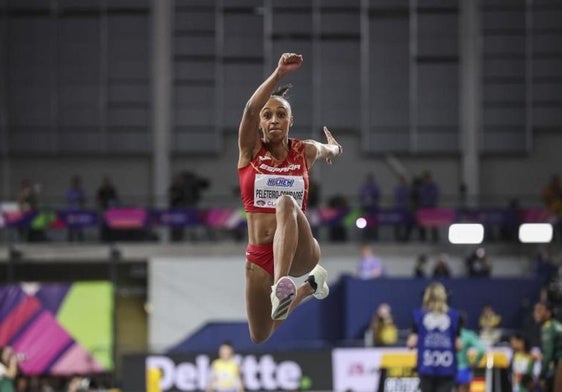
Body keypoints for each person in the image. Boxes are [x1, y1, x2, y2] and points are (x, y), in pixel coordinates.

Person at [237, 52, 341, 342]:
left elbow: (328, 149)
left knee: (285, 202)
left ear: (290, 121)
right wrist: (279, 74)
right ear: (259, 123)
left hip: (300, 252)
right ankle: (307, 288)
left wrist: (335, 149)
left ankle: (281, 284)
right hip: (259, 256)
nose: (273, 120)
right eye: (267, 115)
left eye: (281, 115)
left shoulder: (303, 151)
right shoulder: (250, 152)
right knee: (261, 335)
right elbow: (248, 109)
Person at [407, 282, 461, 392]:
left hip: (426, 366)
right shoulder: (454, 316)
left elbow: (411, 343)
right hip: (447, 367)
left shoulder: (419, 315)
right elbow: (458, 345)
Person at [533, 301, 562, 392]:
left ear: (549, 313)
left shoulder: (548, 328)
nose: (536, 313)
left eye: (540, 310)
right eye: (536, 310)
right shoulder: (556, 324)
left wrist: (542, 376)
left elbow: (548, 356)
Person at [455, 313, 485, 392]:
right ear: (464, 323)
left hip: (449, 370)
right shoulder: (468, 335)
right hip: (463, 370)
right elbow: (481, 350)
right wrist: (475, 362)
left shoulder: (448, 335)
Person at [358, 172, 380, 241]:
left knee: (374, 222)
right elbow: (361, 196)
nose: (369, 180)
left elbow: (377, 196)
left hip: (373, 208)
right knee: (365, 222)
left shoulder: (375, 187)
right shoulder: (364, 188)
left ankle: (374, 236)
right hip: (365, 208)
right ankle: (366, 236)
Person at [65, 175, 86, 242]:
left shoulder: (81, 191)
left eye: (77, 182)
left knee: (79, 228)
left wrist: (80, 200)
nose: (75, 184)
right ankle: (69, 241)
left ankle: (81, 241)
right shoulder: (69, 191)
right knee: (71, 228)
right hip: (71, 212)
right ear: (72, 183)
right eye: (74, 182)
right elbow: (68, 200)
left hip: (79, 212)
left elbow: (83, 200)